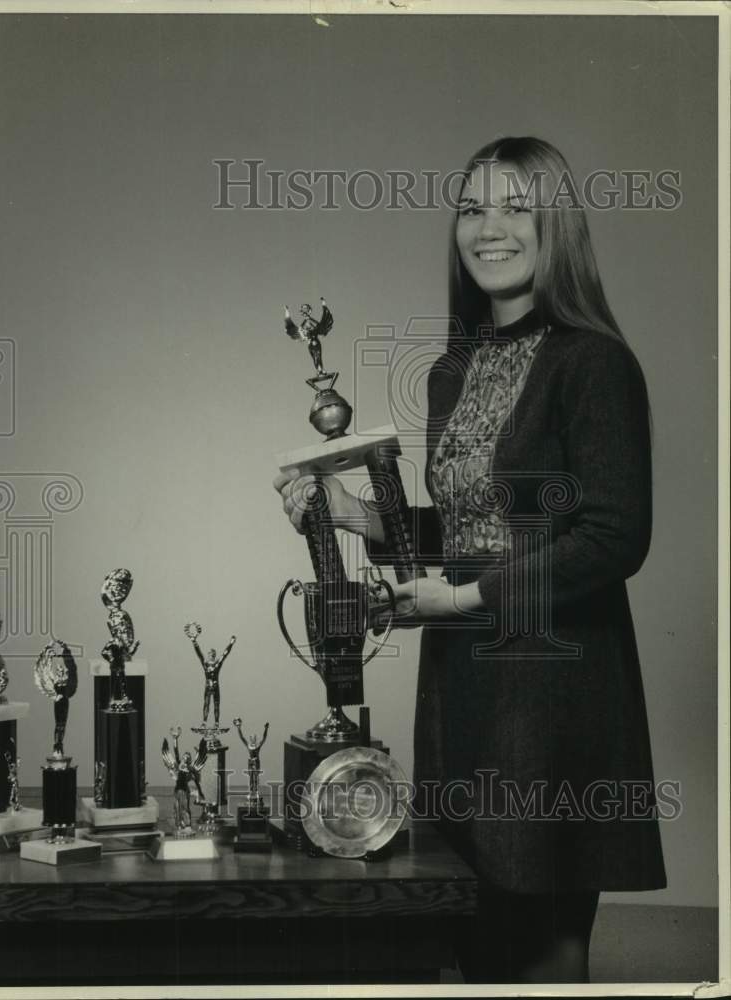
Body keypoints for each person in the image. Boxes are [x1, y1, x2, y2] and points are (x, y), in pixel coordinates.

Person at [273, 136, 666, 984]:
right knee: (468, 936)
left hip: (552, 696)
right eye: (473, 208)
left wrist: (456, 603)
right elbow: (474, 523)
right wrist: (351, 515)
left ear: (555, 226)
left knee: (542, 949)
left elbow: (611, 536)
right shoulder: (454, 370)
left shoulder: (594, 362)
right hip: (462, 691)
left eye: (517, 208)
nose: (491, 229)